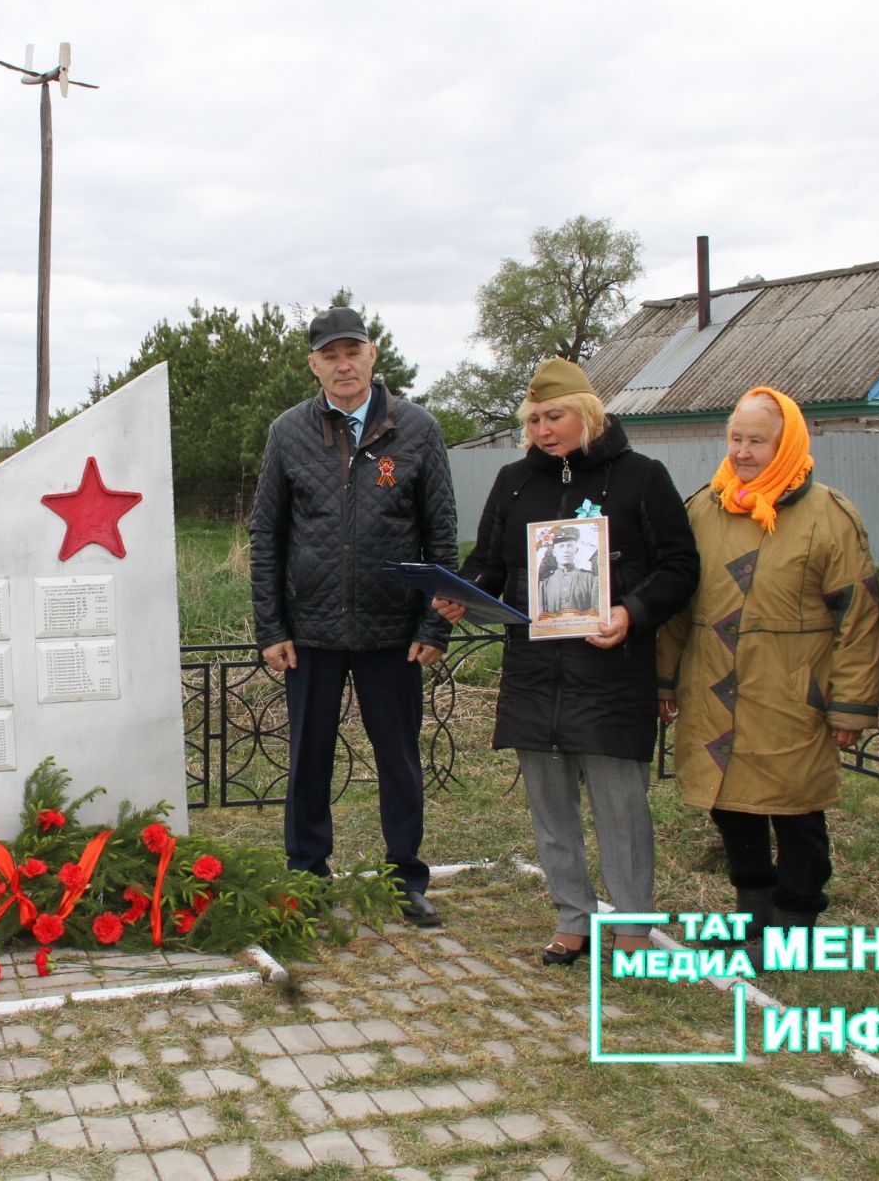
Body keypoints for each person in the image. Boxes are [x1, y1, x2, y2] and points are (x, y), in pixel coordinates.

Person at [434, 359, 699, 963]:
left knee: (620, 809)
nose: (543, 429)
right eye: (533, 420)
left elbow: (680, 566)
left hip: (611, 668)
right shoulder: (513, 482)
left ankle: (633, 926)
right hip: (534, 670)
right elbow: (491, 566)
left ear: (588, 414)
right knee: (550, 807)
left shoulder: (642, 477)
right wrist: (462, 593)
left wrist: (631, 611)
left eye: (555, 416)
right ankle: (571, 917)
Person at [249, 305, 459, 925]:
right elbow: (267, 536)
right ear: (313, 365)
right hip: (309, 632)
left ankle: (405, 878)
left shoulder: (417, 430)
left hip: (392, 633)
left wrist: (433, 625)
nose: (343, 364)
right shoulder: (288, 433)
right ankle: (308, 875)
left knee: (398, 758)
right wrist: (272, 628)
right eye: (329, 355)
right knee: (308, 758)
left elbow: (441, 536)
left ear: (373, 357)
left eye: (353, 351)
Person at [656, 387, 879, 942]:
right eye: (736, 438)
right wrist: (665, 678)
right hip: (714, 683)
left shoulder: (828, 516)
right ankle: (753, 910)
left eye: (758, 441)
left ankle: (799, 913)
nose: (742, 452)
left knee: (795, 807)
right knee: (730, 802)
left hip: (790, 690)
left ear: (786, 444)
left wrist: (851, 705)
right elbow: (677, 603)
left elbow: (859, 615)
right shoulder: (704, 508)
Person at [537, 524, 601, 615]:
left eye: (569, 546)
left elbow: (596, 612)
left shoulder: (591, 579)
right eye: (561, 546)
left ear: (576, 550)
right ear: (554, 552)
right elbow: (541, 616)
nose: (566, 550)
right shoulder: (545, 583)